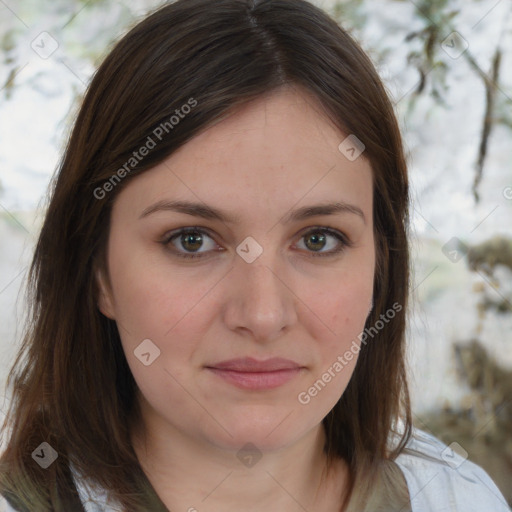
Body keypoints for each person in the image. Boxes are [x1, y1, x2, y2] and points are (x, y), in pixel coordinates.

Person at [0, 0, 509, 510]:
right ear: (97, 273)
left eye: (318, 239)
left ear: (381, 266)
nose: (263, 316)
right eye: (192, 240)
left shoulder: (457, 499)